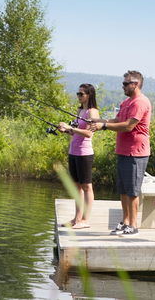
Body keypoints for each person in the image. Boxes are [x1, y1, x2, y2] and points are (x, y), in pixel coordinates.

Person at [90, 70, 151, 236]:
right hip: (123, 151)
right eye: (123, 83)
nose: (122, 86)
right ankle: (125, 222)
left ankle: (133, 225)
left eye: (125, 83)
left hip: (136, 153)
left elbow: (128, 126)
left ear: (135, 84)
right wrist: (98, 121)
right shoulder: (126, 102)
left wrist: (104, 126)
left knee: (132, 191)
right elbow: (117, 121)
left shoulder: (140, 102)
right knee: (123, 190)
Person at [58, 84, 100, 229]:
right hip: (73, 151)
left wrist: (71, 128)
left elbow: (89, 133)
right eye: (78, 93)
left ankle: (85, 220)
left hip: (85, 153)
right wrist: (66, 130)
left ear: (89, 95)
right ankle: (77, 219)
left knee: (87, 186)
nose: (79, 96)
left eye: (81, 94)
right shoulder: (80, 110)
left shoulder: (92, 112)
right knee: (76, 187)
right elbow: (75, 131)